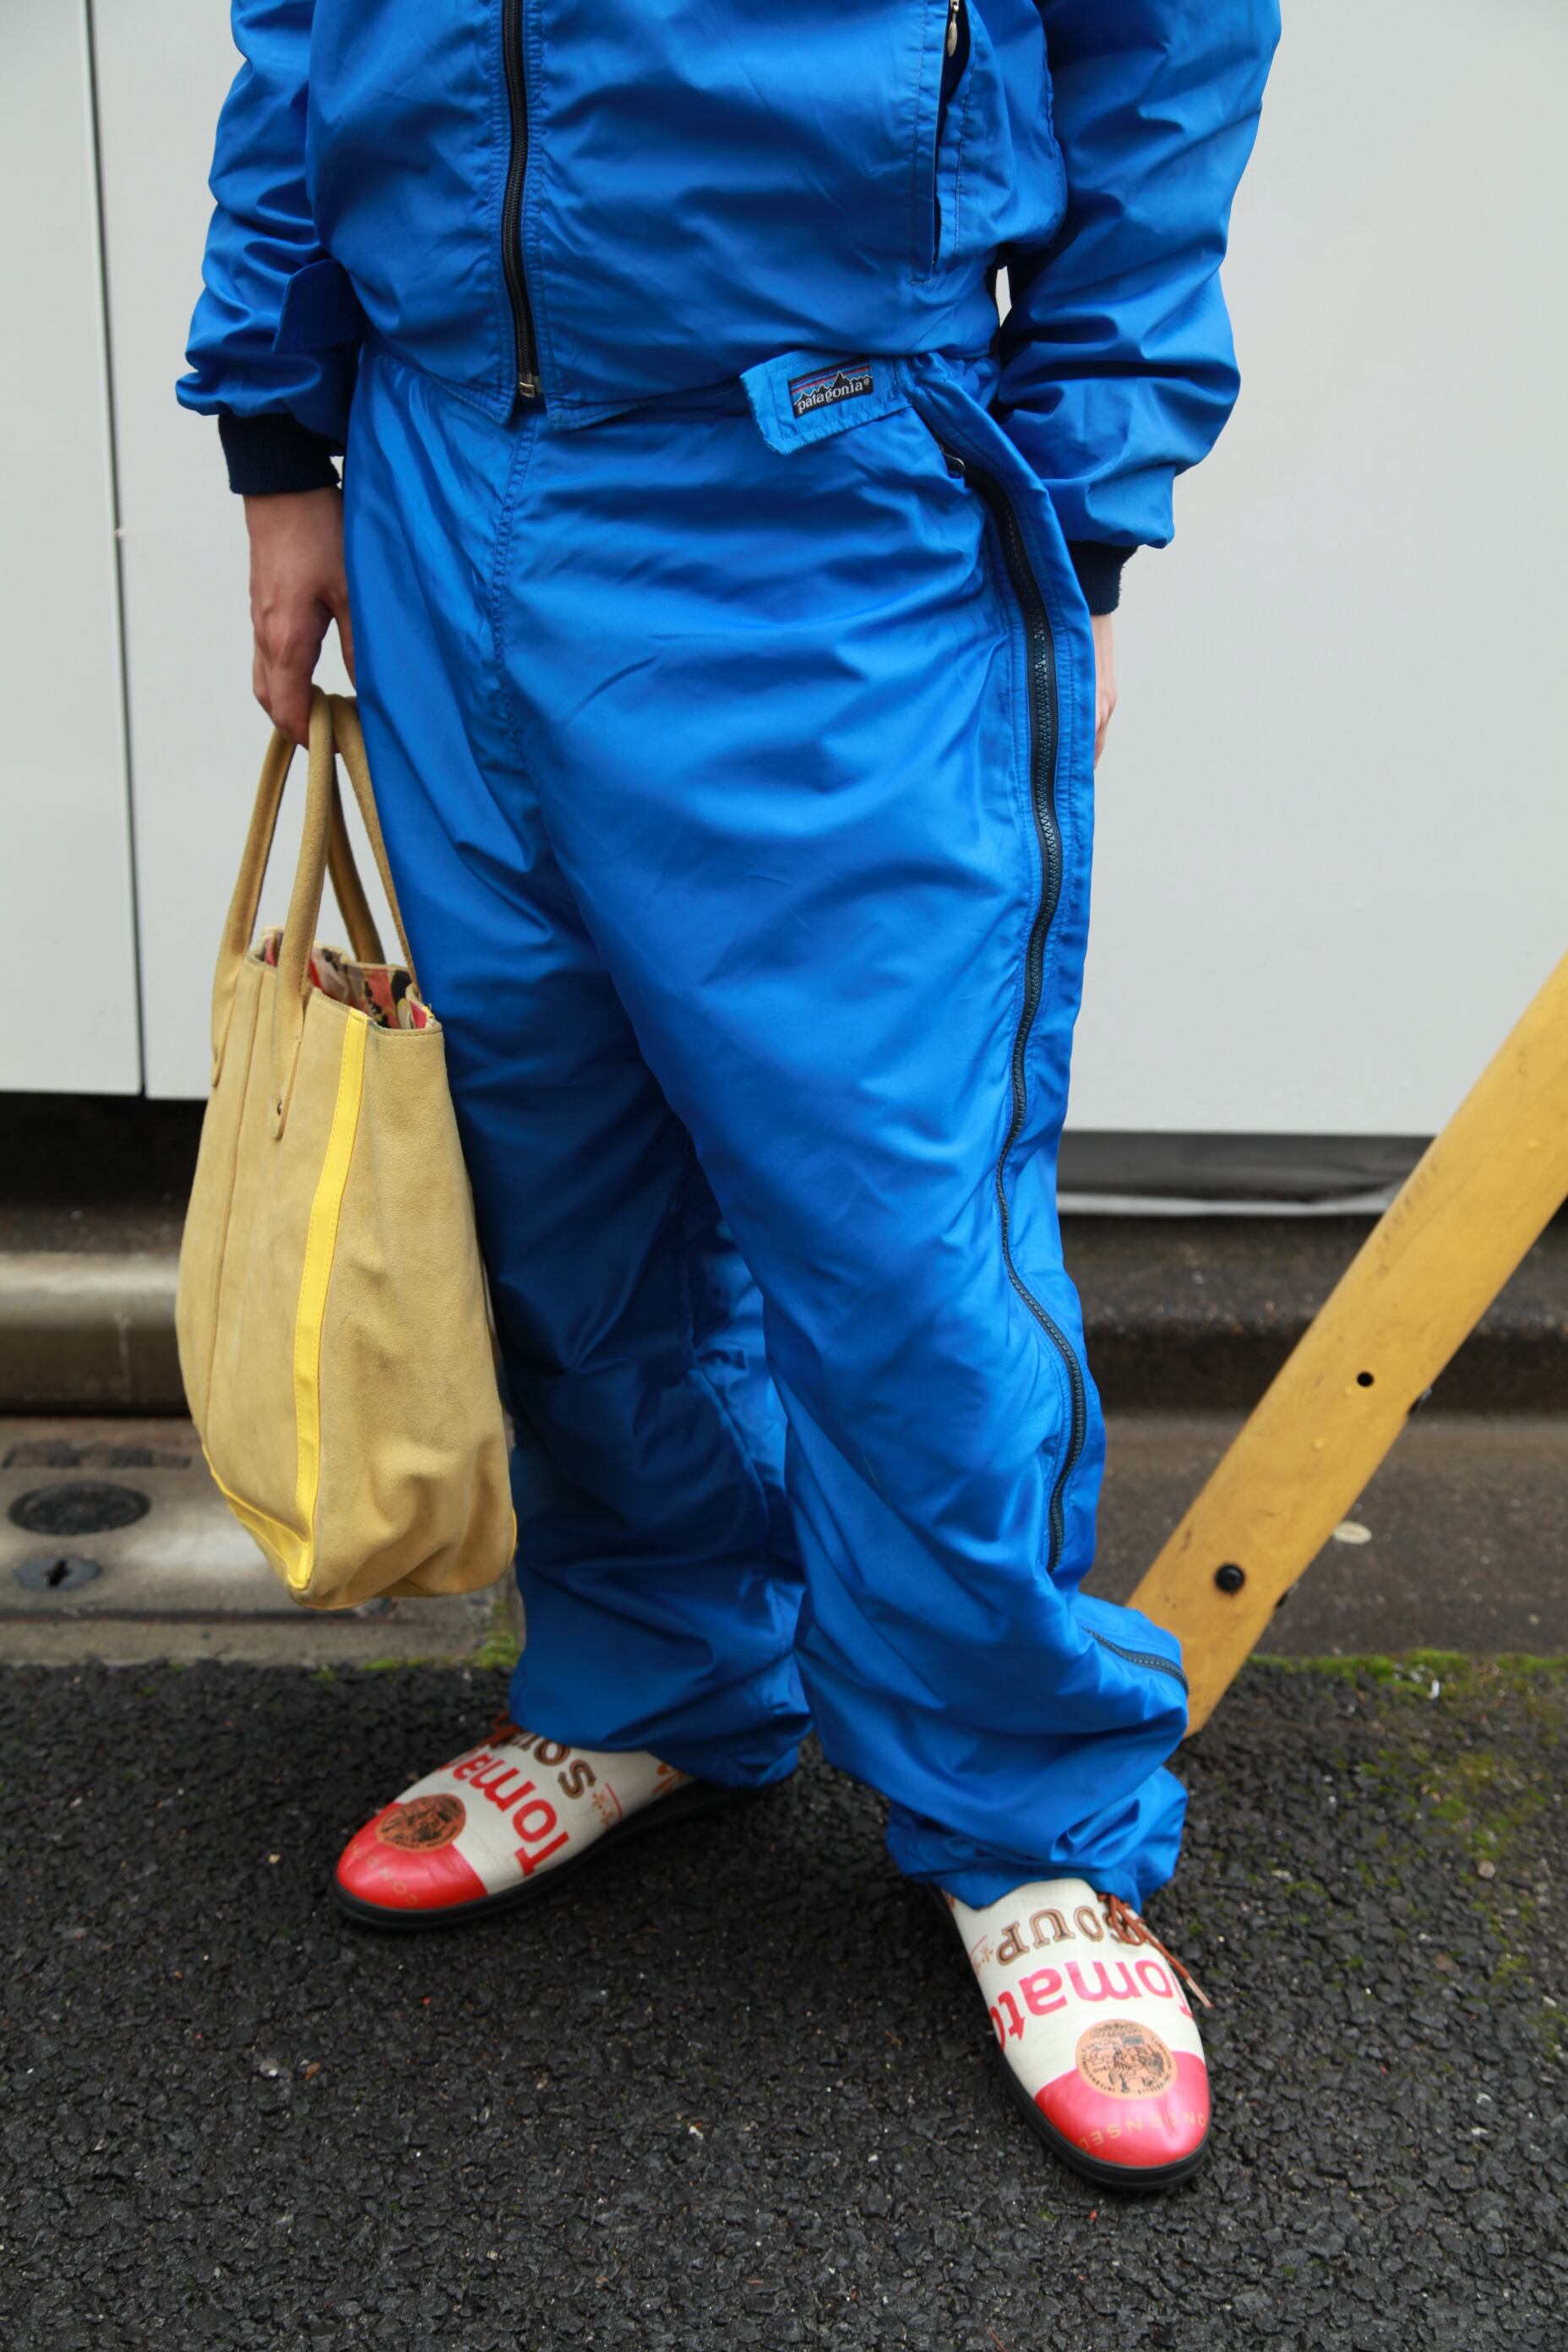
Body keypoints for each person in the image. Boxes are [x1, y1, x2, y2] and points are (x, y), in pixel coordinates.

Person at [182, 0, 1277, 2191]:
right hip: (440, 471)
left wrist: (1085, 491)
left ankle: (1024, 1815)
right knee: (549, 1187)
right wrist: (282, 428)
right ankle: (660, 1676)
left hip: (818, 497)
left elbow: (1167, 40)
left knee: (894, 1235)